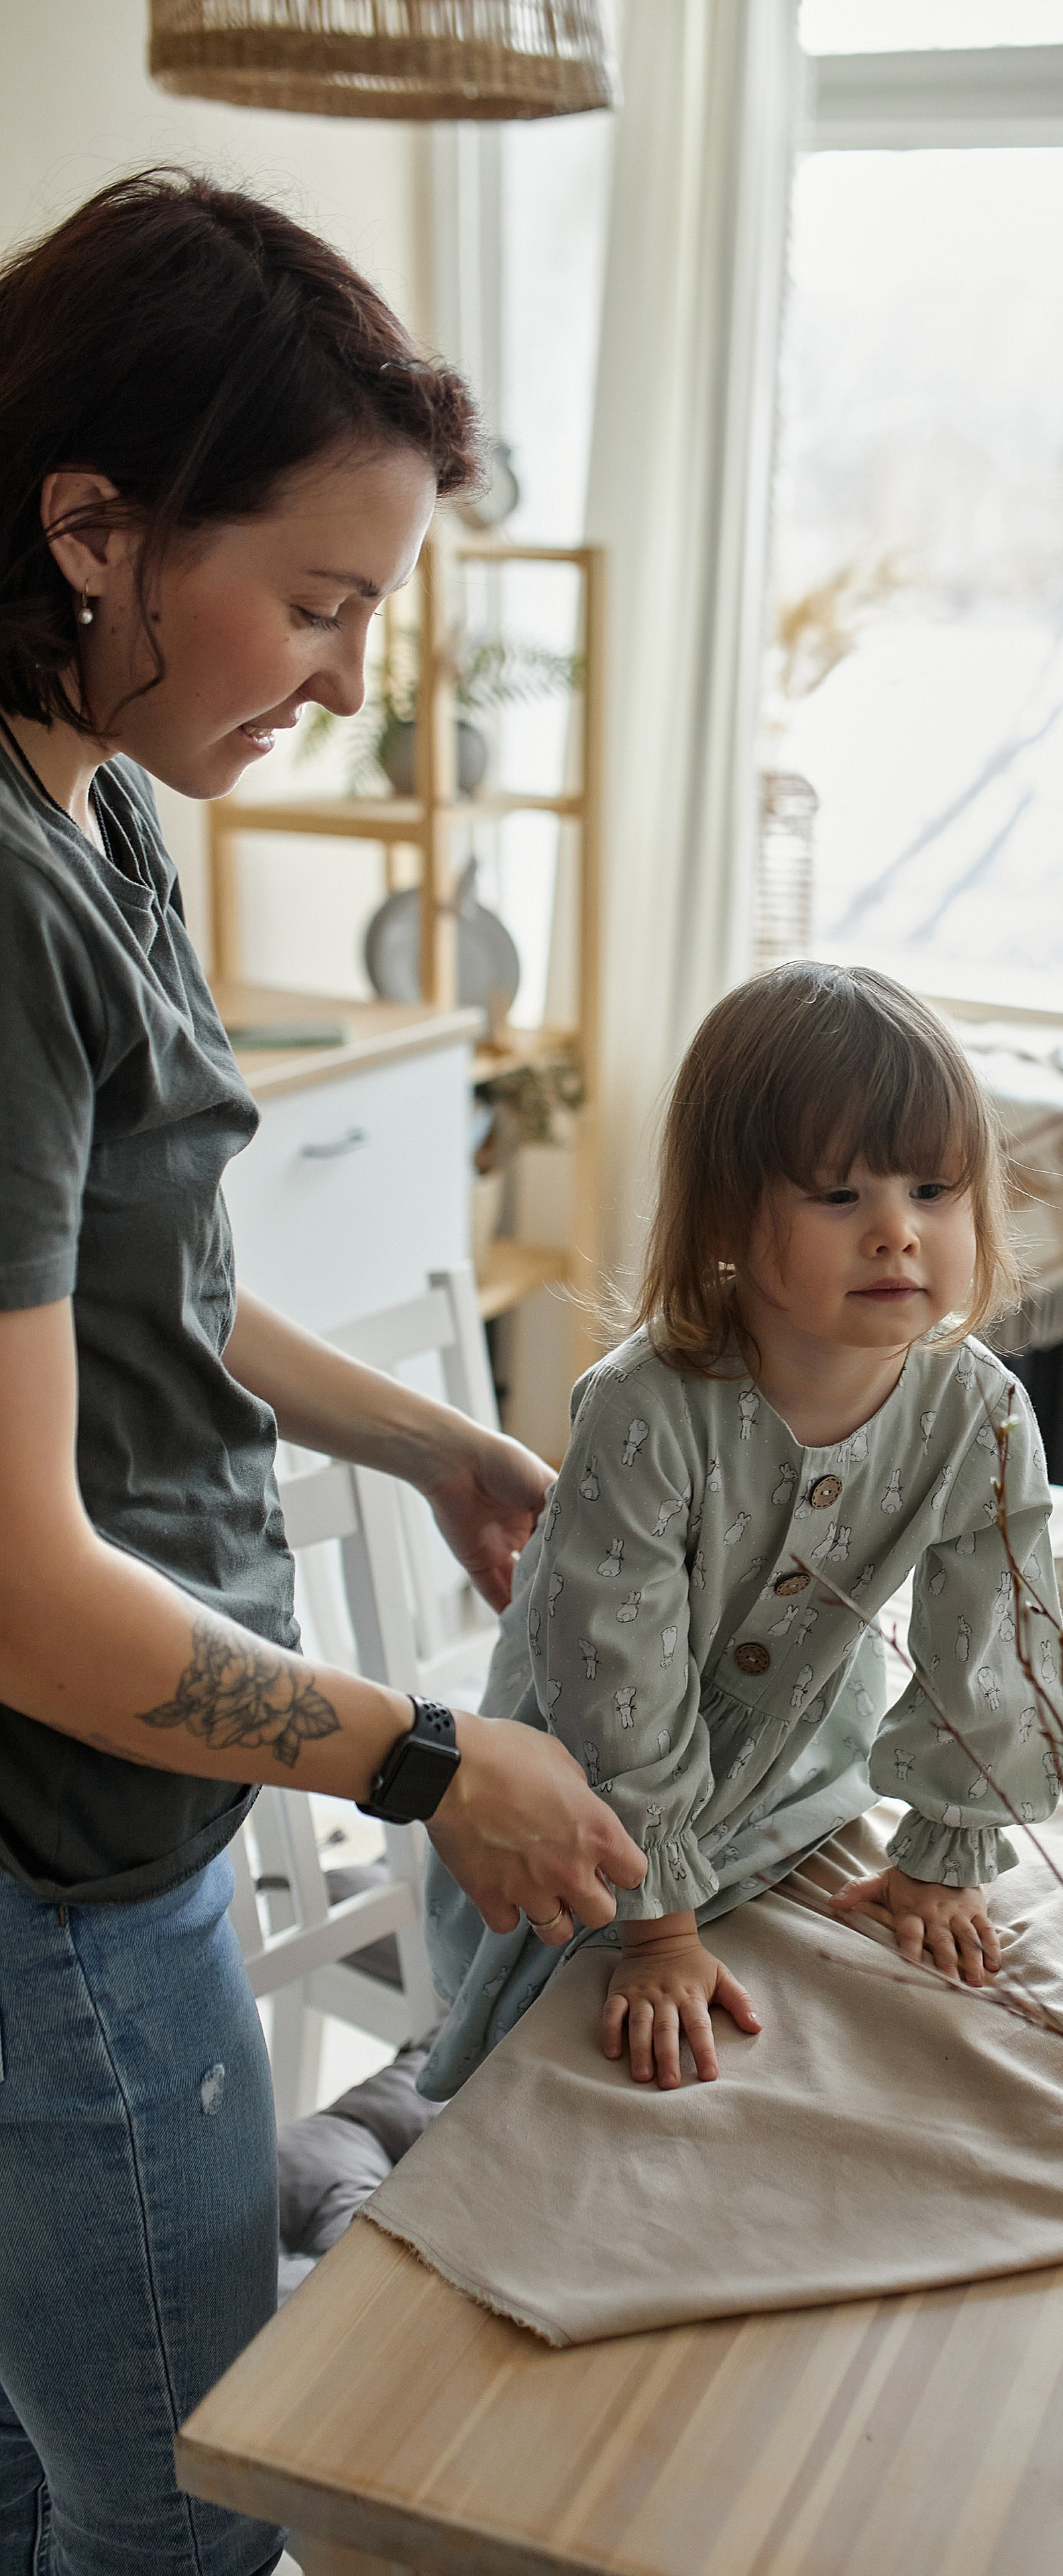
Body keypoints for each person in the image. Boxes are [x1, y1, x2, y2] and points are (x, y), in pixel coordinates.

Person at [0, 171, 645, 2576]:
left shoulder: (106, 807)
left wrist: (431, 1430)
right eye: (318, 601)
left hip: (102, 1829)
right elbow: (30, 1599)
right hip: (61, 1868)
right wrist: (430, 1760)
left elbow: (135, 1304)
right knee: (187, 2511)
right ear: (96, 527)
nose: (346, 679)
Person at [421, 961, 1063, 2102]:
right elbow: (614, 1682)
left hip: (804, 1762)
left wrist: (944, 1855)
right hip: (590, 1782)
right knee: (557, 2055)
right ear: (726, 1217)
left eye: (933, 1191)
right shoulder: (646, 1410)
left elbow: (998, 1639)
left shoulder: (980, 1411)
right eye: (838, 1196)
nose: (896, 1235)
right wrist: (659, 1932)